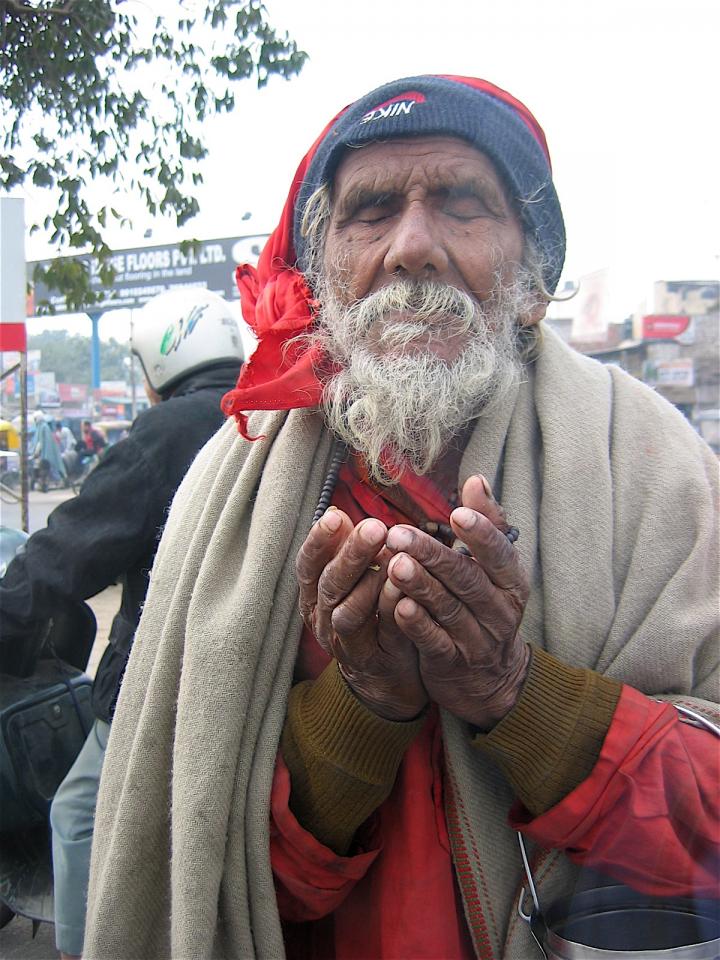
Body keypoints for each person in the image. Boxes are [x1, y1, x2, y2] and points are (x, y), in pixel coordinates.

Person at [84, 76, 718, 960]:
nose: (411, 246)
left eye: (461, 203)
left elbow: (707, 847)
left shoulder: (657, 468)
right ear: (325, 269)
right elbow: (208, 879)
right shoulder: (233, 491)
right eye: (371, 210)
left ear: (534, 279)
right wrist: (363, 707)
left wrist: (516, 695)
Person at [0, 288, 245, 960]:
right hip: (254, 675)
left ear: (161, 361)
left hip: (160, 678)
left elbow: (70, 549)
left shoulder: (167, 432)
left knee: (79, 815)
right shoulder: (266, 412)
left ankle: (90, 948)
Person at [32, 410, 67, 490]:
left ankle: (58, 481)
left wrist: (36, 452)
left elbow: (40, 442)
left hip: (47, 453)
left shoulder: (43, 427)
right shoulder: (41, 427)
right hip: (43, 453)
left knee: (51, 467)